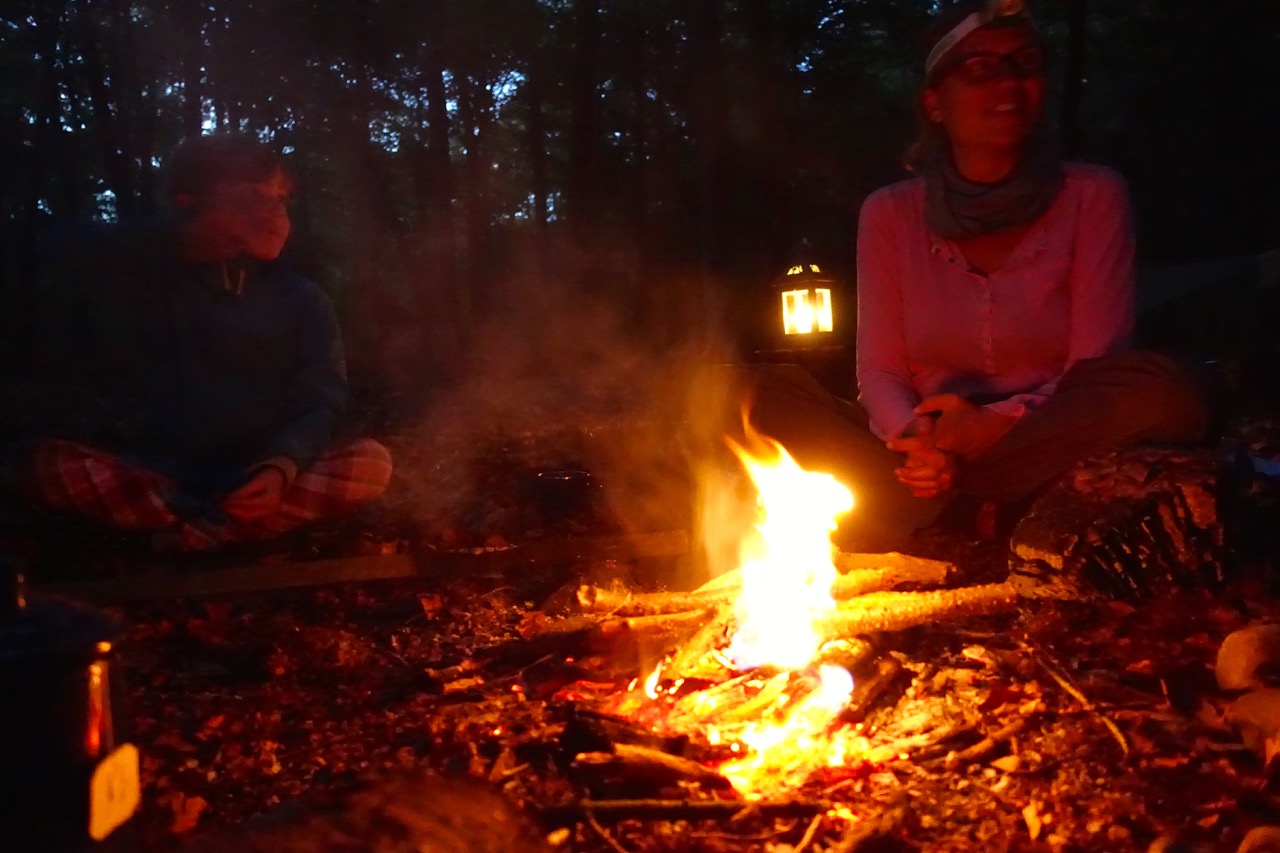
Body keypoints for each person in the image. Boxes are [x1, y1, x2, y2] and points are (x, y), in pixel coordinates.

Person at [739, 0, 1220, 551]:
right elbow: (880, 371)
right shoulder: (891, 213)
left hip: (1049, 433)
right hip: (929, 442)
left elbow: (1096, 363)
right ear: (934, 102)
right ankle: (959, 505)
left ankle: (945, 514)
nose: (1009, 84)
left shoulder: (1093, 195)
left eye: (1025, 64)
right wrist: (919, 439)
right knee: (749, 395)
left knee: (1170, 390)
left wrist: (999, 425)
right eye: (981, 69)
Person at [11, 133, 393, 553]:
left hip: (258, 472)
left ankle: (195, 532)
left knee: (370, 464)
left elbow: (320, 400)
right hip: (160, 476)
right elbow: (62, 249)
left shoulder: (300, 297)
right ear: (188, 204)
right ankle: (221, 528)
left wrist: (281, 467)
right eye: (251, 196)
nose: (270, 211)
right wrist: (188, 239)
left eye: (279, 198)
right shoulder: (137, 277)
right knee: (42, 464)